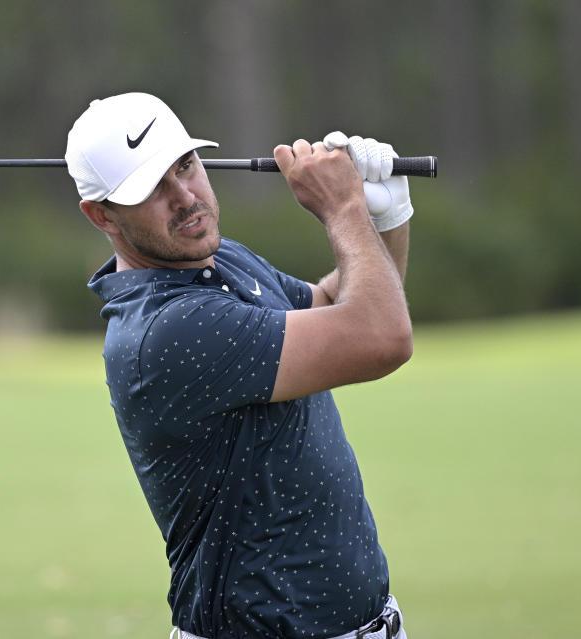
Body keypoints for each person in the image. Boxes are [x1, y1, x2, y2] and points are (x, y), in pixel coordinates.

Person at [66, 92, 413, 639]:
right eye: (152, 188)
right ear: (100, 213)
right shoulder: (169, 330)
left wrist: (386, 217)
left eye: (185, 166)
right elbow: (380, 336)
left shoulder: (218, 258)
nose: (184, 197)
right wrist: (344, 209)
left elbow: (336, 307)